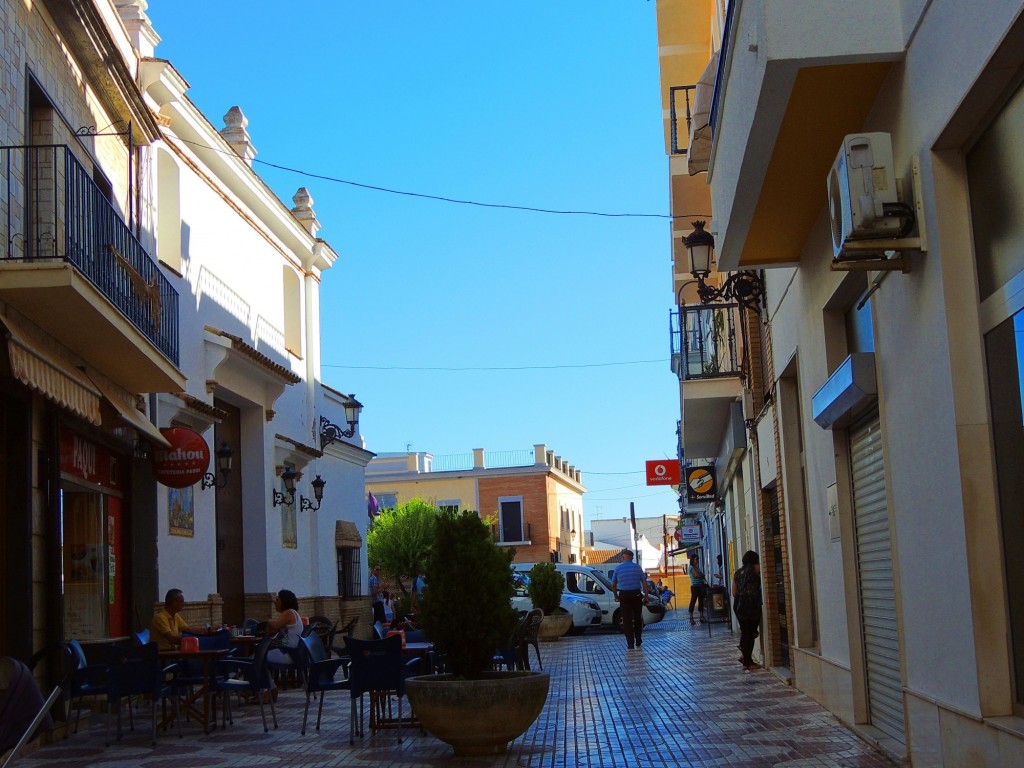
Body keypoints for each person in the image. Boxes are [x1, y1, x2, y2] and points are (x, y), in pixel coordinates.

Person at [611, 550, 650, 651]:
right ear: (631, 557)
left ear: (623, 557)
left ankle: (630, 643)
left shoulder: (618, 568)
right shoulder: (637, 567)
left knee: (626, 620)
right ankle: (638, 639)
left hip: (624, 595)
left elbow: (613, 584)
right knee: (637, 617)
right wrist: (646, 596)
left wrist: (616, 595)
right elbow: (644, 582)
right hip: (636, 594)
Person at [733, 550, 763, 671]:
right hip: (751, 605)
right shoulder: (756, 568)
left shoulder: (738, 573)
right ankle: (748, 661)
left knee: (745, 632)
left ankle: (745, 658)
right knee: (750, 633)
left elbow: (734, 592)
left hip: (739, 606)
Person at [265, 589, 303, 666]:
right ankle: (266, 678)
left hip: (289, 653)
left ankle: (264, 678)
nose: (275, 602)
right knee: (260, 655)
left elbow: (275, 625)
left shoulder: (289, 612)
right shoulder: (291, 613)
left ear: (284, 601)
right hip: (290, 653)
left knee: (258, 656)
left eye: (277, 600)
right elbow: (271, 631)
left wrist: (268, 621)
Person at [688, 555, 706, 625]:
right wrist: (701, 575)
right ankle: (691, 618)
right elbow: (697, 575)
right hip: (695, 587)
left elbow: (700, 574)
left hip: (700, 586)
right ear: (692, 560)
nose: (697, 561)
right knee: (693, 601)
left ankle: (701, 616)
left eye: (698, 559)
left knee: (701, 601)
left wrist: (701, 575)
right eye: (696, 559)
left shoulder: (697, 567)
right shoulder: (691, 567)